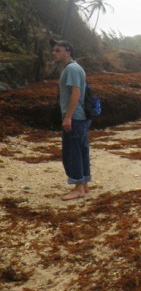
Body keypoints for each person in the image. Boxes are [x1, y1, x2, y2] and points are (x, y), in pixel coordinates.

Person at [50, 39, 92, 201]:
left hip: (75, 117)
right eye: (53, 50)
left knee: (71, 152)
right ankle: (84, 183)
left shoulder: (72, 69)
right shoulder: (75, 68)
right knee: (81, 149)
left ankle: (78, 188)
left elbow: (76, 93)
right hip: (80, 117)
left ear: (68, 51)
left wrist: (68, 116)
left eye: (58, 50)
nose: (54, 53)